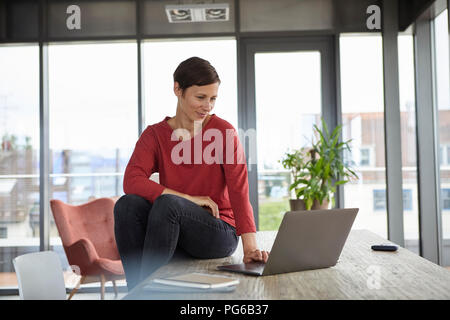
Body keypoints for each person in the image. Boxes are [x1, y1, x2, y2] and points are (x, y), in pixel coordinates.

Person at [114, 56, 269, 290]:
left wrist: (249, 248)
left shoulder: (224, 132)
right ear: (178, 89)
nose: (207, 106)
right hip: (174, 229)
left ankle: (143, 296)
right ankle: (137, 289)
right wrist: (190, 200)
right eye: (200, 97)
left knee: (168, 204)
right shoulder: (155, 135)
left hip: (218, 231)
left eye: (213, 99)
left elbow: (239, 190)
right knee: (127, 205)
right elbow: (131, 181)